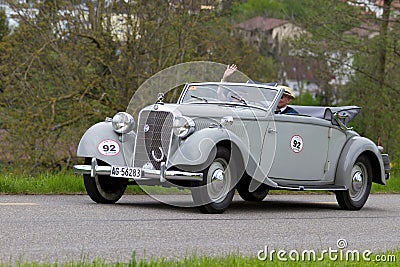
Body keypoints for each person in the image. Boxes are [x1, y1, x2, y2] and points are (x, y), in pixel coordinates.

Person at [220, 64, 298, 114]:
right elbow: (220, 97)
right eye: (274, 95)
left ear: (288, 100)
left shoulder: (292, 114)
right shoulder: (263, 109)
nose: (276, 99)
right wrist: (225, 78)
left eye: (281, 97)